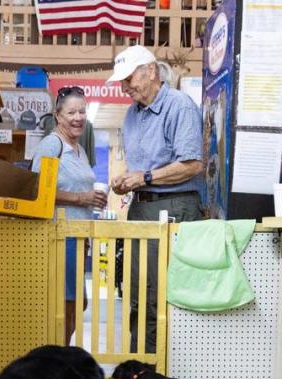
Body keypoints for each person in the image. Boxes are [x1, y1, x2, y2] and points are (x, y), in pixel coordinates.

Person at [108, 45, 205, 354]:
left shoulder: (180, 106)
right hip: (141, 207)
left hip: (174, 206)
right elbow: (139, 169)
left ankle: (169, 370)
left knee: (166, 294)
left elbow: (192, 164)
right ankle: (143, 370)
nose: (125, 87)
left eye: (128, 79)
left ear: (150, 71)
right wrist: (127, 181)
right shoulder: (131, 116)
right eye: (121, 81)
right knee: (136, 293)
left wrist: (145, 177)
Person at [31, 86, 108, 345]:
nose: (78, 118)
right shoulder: (53, 145)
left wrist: (93, 199)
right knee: (67, 305)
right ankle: (57, 359)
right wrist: (82, 198)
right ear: (58, 116)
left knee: (76, 304)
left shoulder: (79, 149)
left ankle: (59, 355)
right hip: (59, 238)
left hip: (77, 238)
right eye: (71, 112)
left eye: (82, 112)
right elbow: (39, 189)